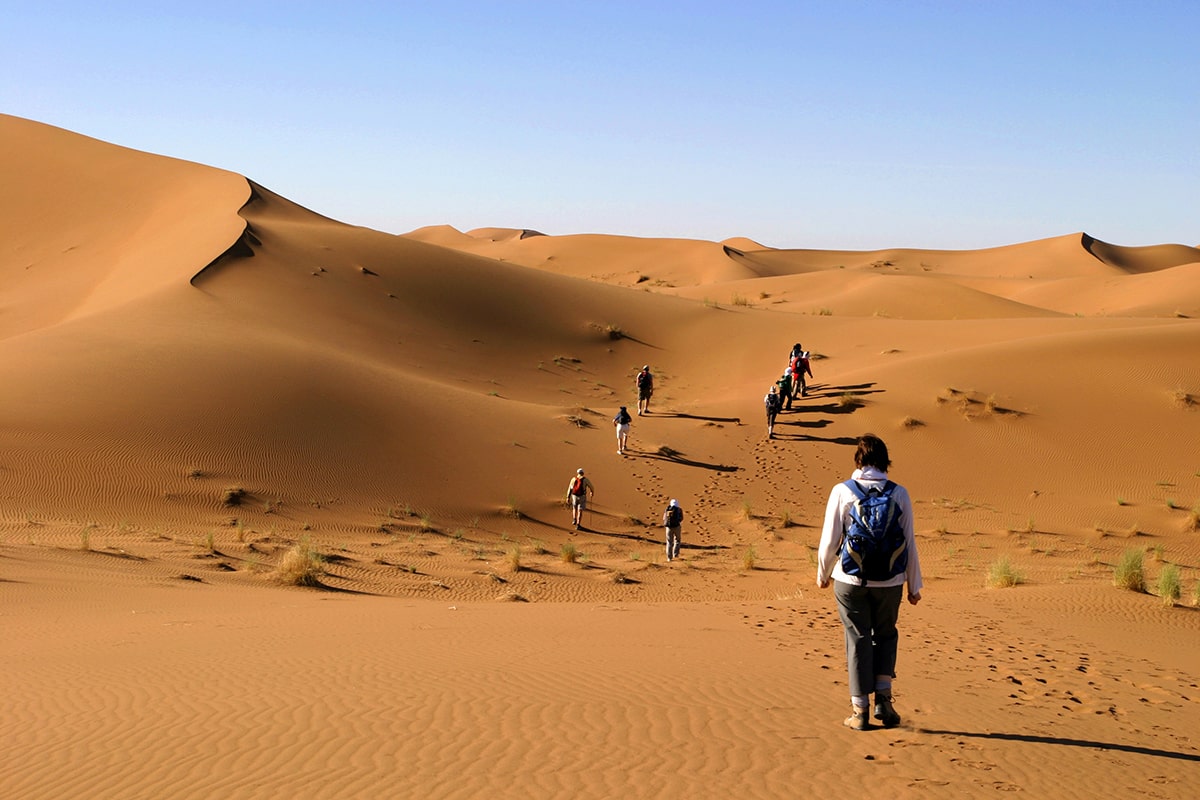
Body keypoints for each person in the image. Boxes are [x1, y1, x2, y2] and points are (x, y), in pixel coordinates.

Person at [816, 434, 922, 731]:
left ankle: (859, 711)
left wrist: (823, 574)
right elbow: (910, 542)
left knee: (857, 639)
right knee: (886, 635)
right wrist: (914, 586)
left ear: (858, 460)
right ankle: (884, 703)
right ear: (885, 461)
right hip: (891, 582)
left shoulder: (842, 491)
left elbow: (830, 538)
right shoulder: (899, 493)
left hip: (850, 580)